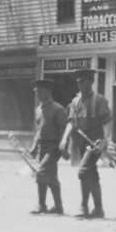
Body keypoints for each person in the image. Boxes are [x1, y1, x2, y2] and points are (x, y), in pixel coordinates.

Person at [60, 69, 111, 219]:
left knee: (83, 171)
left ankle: (83, 206)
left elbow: (107, 122)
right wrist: (64, 140)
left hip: (95, 144)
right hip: (80, 144)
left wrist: (104, 140)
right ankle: (98, 209)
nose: (80, 85)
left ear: (91, 82)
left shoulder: (99, 100)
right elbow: (71, 122)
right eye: (78, 82)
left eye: (84, 81)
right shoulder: (75, 102)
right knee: (91, 174)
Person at [29, 79, 67, 215]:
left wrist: (63, 148)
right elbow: (38, 130)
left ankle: (41, 205)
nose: (37, 94)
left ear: (48, 92)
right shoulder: (38, 110)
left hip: (53, 147)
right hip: (42, 147)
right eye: (36, 92)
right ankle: (58, 206)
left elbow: (64, 130)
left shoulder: (58, 109)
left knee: (41, 172)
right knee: (51, 177)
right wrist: (34, 147)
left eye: (39, 91)